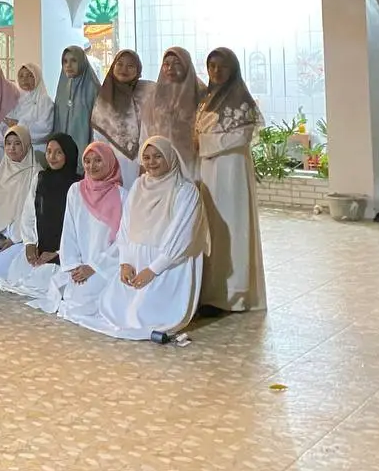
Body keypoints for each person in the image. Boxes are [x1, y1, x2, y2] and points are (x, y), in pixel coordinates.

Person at [69, 137, 209, 341]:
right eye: (147, 157)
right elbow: (125, 227)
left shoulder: (186, 191)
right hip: (135, 263)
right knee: (111, 308)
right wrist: (125, 262)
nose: (151, 162)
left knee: (139, 316)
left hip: (167, 267)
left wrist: (153, 270)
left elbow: (182, 237)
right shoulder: (139, 185)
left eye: (158, 156)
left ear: (170, 158)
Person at [195, 47, 266, 313]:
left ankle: (233, 294)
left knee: (233, 227)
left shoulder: (241, 100)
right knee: (212, 227)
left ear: (233, 69)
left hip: (231, 171)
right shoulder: (205, 100)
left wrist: (204, 143)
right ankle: (211, 291)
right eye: (212, 66)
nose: (216, 71)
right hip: (208, 172)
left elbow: (241, 137)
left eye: (222, 66)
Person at [32, 141, 127, 320]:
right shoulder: (76, 190)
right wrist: (73, 265)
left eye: (98, 160)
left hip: (105, 267)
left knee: (83, 304)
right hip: (78, 265)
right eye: (87, 161)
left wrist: (93, 267)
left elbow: (123, 240)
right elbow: (69, 231)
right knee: (71, 295)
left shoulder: (121, 195)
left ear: (109, 162)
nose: (92, 166)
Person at [0, 132, 80, 299]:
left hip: (63, 251)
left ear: (68, 154)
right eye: (49, 151)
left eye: (58, 152)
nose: (52, 157)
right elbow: (29, 214)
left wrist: (57, 252)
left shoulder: (77, 185)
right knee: (16, 275)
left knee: (45, 283)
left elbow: (78, 226)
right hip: (40, 246)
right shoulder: (40, 178)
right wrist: (30, 243)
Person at [0, 124, 42, 280]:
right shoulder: (1, 170)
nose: (12, 148)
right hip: (1, 233)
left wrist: (13, 239)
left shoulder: (36, 173)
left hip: (21, 237)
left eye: (17, 143)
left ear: (26, 145)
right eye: (8, 143)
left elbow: (30, 212)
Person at [91, 49, 153, 187]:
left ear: (138, 70)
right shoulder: (105, 97)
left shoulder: (147, 92)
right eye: (119, 64)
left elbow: (150, 130)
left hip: (141, 161)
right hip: (111, 162)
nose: (124, 69)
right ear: (113, 66)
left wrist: (145, 163)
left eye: (130, 66)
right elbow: (99, 137)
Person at [142, 47, 204, 177]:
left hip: (193, 161)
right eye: (166, 64)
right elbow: (146, 129)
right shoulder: (155, 95)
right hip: (161, 160)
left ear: (186, 65)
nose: (170, 68)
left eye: (177, 63)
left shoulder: (200, 93)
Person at [53, 46, 100, 156]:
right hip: (62, 153)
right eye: (65, 61)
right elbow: (57, 121)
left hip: (86, 154)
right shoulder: (62, 88)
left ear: (82, 62)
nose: (68, 65)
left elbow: (98, 128)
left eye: (73, 61)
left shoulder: (94, 90)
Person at [0, 63, 55, 153]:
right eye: (21, 76)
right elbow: (5, 123)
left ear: (37, 77)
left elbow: (45, 128)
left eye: (30, 75)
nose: (25, 79)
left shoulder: (44, 101)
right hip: (14, 150)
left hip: (37, 150)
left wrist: (19, 125)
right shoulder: (14, 99)